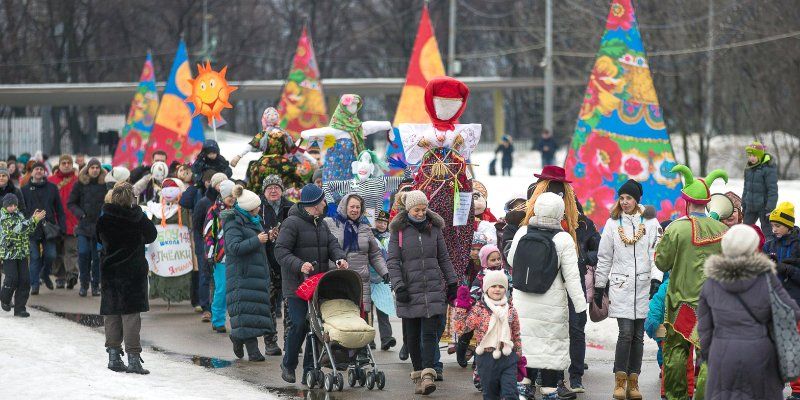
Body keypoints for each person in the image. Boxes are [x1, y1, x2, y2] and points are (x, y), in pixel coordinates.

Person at [699, 224, 800, 399]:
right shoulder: (767, 279)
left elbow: (704, 329)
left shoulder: (711, 283)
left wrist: (710, 355)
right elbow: (791, 312)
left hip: (722, 353)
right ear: (754, 247)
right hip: (760, 353)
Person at [655, 165, 729, 400]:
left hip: (681, 303)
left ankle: (677, 397)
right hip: (713, 304)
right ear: (706, 202)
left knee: (676, 352)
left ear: (686, 201)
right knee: (709, 355)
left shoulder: (676, 228)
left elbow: (661, 263)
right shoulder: (724, 230)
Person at [508, 192, 587, 400]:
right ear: (560, 212)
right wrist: (580, 305)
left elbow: (510, 259)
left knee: (525, 344)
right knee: (551, 346)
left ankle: (524, 386)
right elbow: (572, 277)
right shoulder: (563, 239)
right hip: (551, 303)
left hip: (523, 301)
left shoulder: (522, 232)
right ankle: (550, 389)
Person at [274, 184, 348, 384]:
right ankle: (288, 365)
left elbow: (332, 244)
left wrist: (339, 258)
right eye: (323, 200)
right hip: (297, 285)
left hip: (318, 285)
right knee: (298, 325)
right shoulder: (291, 223)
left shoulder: (321, 223)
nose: (325, 203)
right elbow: (280, 251)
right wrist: (299, 265)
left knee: (316, 329)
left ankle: (310, 368)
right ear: (315, 204)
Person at [593, 180, 660, 400]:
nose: (624, 202)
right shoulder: (613, 223)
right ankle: (619, 382)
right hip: (621, 287)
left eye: (628, 198)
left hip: (643, 286)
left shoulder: (650, 222)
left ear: (637, 199)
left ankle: (634, 381)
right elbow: (604, 257)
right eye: (621, 198)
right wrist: (600, 285)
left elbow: (657, 253)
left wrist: (656, 280)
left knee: (639, 336)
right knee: (625, 334)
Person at [387, 190, 457, 395]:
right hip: (409, 290)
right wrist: (398, 285)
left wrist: (452, 281)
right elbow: (392, 261)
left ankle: (428, 375)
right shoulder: (398, 231)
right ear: (408, 209)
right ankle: (418, 373)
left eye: (424, 209)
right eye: (417, 209)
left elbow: (443, 257)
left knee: (429, 334)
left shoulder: (434, 228)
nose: (420, 213)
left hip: (433, 289)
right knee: (412, 337)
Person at [97, 182, 158, 374]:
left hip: (110, 272)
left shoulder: (104, 219)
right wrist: (139, 212)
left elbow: (99, 239)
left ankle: (113, 356)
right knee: (131, 316)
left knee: (112, 314)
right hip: (133, 273)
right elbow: (152, 235)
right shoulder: (138, 218)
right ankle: (133, 360)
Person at [222, 185, 276, 362]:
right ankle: (253, 351)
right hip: (241, 275)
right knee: (245, 313)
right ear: (248, 207)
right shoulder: (233, 223)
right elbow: (233, 247)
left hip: (256, 274)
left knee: (253, 313)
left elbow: (255, 240)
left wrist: (268, 236)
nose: (259, 209)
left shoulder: (253, 220)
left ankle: (237, 338)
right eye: (257, 206)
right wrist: (257, 240)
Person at [453, 269, 522, 400]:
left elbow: (516, 333)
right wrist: (461, 308)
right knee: (491, 395)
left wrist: (519, 356)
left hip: (508, 357)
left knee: (510, 394)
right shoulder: (478, 310)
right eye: (493, 286)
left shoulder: (511, 310)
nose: (497, 289)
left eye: (501, 286)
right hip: (486, 358)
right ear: (486, 288)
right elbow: (461, 329)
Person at [324, 193, 388, 319]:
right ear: (344, 206)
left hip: (360, 282)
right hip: (337, 279)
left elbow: (375, 254)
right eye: (352, 206)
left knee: (360, 322)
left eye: (358, 207)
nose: (355, 210)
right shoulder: (329, 224)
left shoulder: (365, 228)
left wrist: (384, 272)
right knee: (339, 320)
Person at [762, 202, 800, 399]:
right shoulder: (769, 244)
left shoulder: (798, 244)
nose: (773, 229)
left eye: (777, 225)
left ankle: (798, 390)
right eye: (772, 225)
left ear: (788, 224)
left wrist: (786, 269)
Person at [20, 161, 65, 295]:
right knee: (34, 258)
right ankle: (34, 285)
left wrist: (61, 227)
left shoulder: (52, 188)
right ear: (32, 172)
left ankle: (45, 274)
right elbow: (21, 210)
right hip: (32, 229)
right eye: (36, 169)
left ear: (45, 172)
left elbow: (59, 210)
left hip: (48, 228)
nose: (39, 171)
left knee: (51, 255)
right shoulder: (24, 190)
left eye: (41, 169)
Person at [0, 194, 45, 317]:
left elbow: (27, 230)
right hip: (9, 253)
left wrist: (34, 221)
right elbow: (17, 229)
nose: (13, 207)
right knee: (12, 278)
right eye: (10, 205)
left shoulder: (19, 214)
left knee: (25, 281)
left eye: (15, 205)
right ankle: (4, 298)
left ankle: (20, 308)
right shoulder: (3, 217)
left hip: (22, 253)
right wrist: (33, 220)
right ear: (5, 205)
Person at [258, 175, 292, 337]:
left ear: (282, 190)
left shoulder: (291, 208)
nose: (273, 190)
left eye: (276, 187)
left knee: (290, 304)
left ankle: (290, 340)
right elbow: (252, 229)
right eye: (269, 188)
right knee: (268, 305)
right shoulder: (257, 208)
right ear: (264, 191)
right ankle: (270, 341)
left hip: (288, 264)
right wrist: (267, 234)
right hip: (267, 262)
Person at [68, 158, 107, 297]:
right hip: (84, 226)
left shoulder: (105, 184)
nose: (95, 170)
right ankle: (84, 284)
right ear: (88, 169)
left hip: (99, 227)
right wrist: (80, 214)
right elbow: (71, 203)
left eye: (97, 167)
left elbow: (109, 201)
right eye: (93, 167)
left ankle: (96, 286)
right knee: (83, 255)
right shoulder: (80, 184)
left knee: (97, 258)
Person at [189, 170, 222, 318]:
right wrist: (201, 244)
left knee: (218, 276)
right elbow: (196, 226)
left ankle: (216, 306)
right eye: (220, 184)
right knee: (205, 274)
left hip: (220, 244)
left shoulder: (225, 201)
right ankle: (205, 307)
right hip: (204, 243)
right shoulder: (204, 202)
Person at [204, 180, 235, 334]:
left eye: (233, 195)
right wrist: (209, 255)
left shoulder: (240, 209)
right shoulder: (214, 211)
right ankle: (218, 320)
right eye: (228, 195)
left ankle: (237, 320)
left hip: (237, 255)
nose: (232, 198)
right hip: (221, 256)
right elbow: (209, 234)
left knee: (236, 290)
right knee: (221, 289)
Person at [370, 210, 396, 350]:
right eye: (378, 221)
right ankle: (369, 340)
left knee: (383, 308)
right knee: (368, 311)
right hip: (368, 276)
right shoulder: (368, 235)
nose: (381, 225)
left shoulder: (390, 238)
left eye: (384, 222)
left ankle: (386, 338)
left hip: (384, 278)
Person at [743, 141, 779, 240]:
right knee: (745, 229)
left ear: (760, 155)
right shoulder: (748, 169)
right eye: (749, 155)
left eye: (754, 155)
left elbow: (773, 190)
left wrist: (770, 209)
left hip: (764, 207)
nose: (751, 158)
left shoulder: (768, 168)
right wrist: (744, 204)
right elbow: (746, 188)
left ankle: (770, 250)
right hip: (750, 206)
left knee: (767, 231)